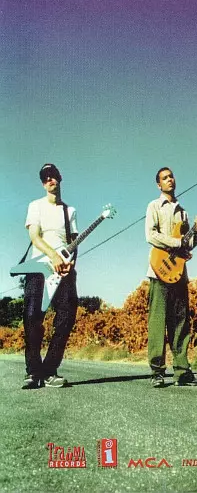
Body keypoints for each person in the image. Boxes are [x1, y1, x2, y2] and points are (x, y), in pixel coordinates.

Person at [145, 167, 197, 388]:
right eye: (164, 178)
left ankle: (182, 371)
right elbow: (151, 235)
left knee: (181, 323)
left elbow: (188, 244)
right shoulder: (153, 206)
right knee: (157, 322)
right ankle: (157, 372)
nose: (169, 179)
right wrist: (176, 243)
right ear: (159, 184)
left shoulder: (183, 212)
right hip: (158, 271)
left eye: (171, 176)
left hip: (179, 273)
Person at [22, 163, 78, 389]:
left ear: (59, 178)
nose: (50, 180)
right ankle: (33, 372)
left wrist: (70, 263)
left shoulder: (69, 211)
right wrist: (53, 256)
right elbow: (35, 237)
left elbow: (73, 243)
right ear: (43, 183)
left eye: (53, 176)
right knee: (32, 318)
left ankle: (49, 371)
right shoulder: (35, 206)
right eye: (45, 178)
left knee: (66, 318)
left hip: (64, 271)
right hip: (39, 268)